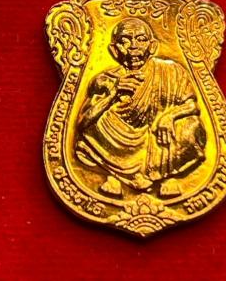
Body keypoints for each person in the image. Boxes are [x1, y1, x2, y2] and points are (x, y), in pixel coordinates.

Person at [76, 17, 206, 198]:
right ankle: (116, 175)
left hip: (160, 141)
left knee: (191, 125)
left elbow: (192, 105)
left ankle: (167, 176)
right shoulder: (105, 80)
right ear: (114, 50)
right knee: (94, 127)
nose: (133, 46)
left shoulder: (172, 71)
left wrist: (169, 116)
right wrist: (113, 95)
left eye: (141, 39)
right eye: (125, 41)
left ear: (152, 46)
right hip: (120, 142)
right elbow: (83, 122)